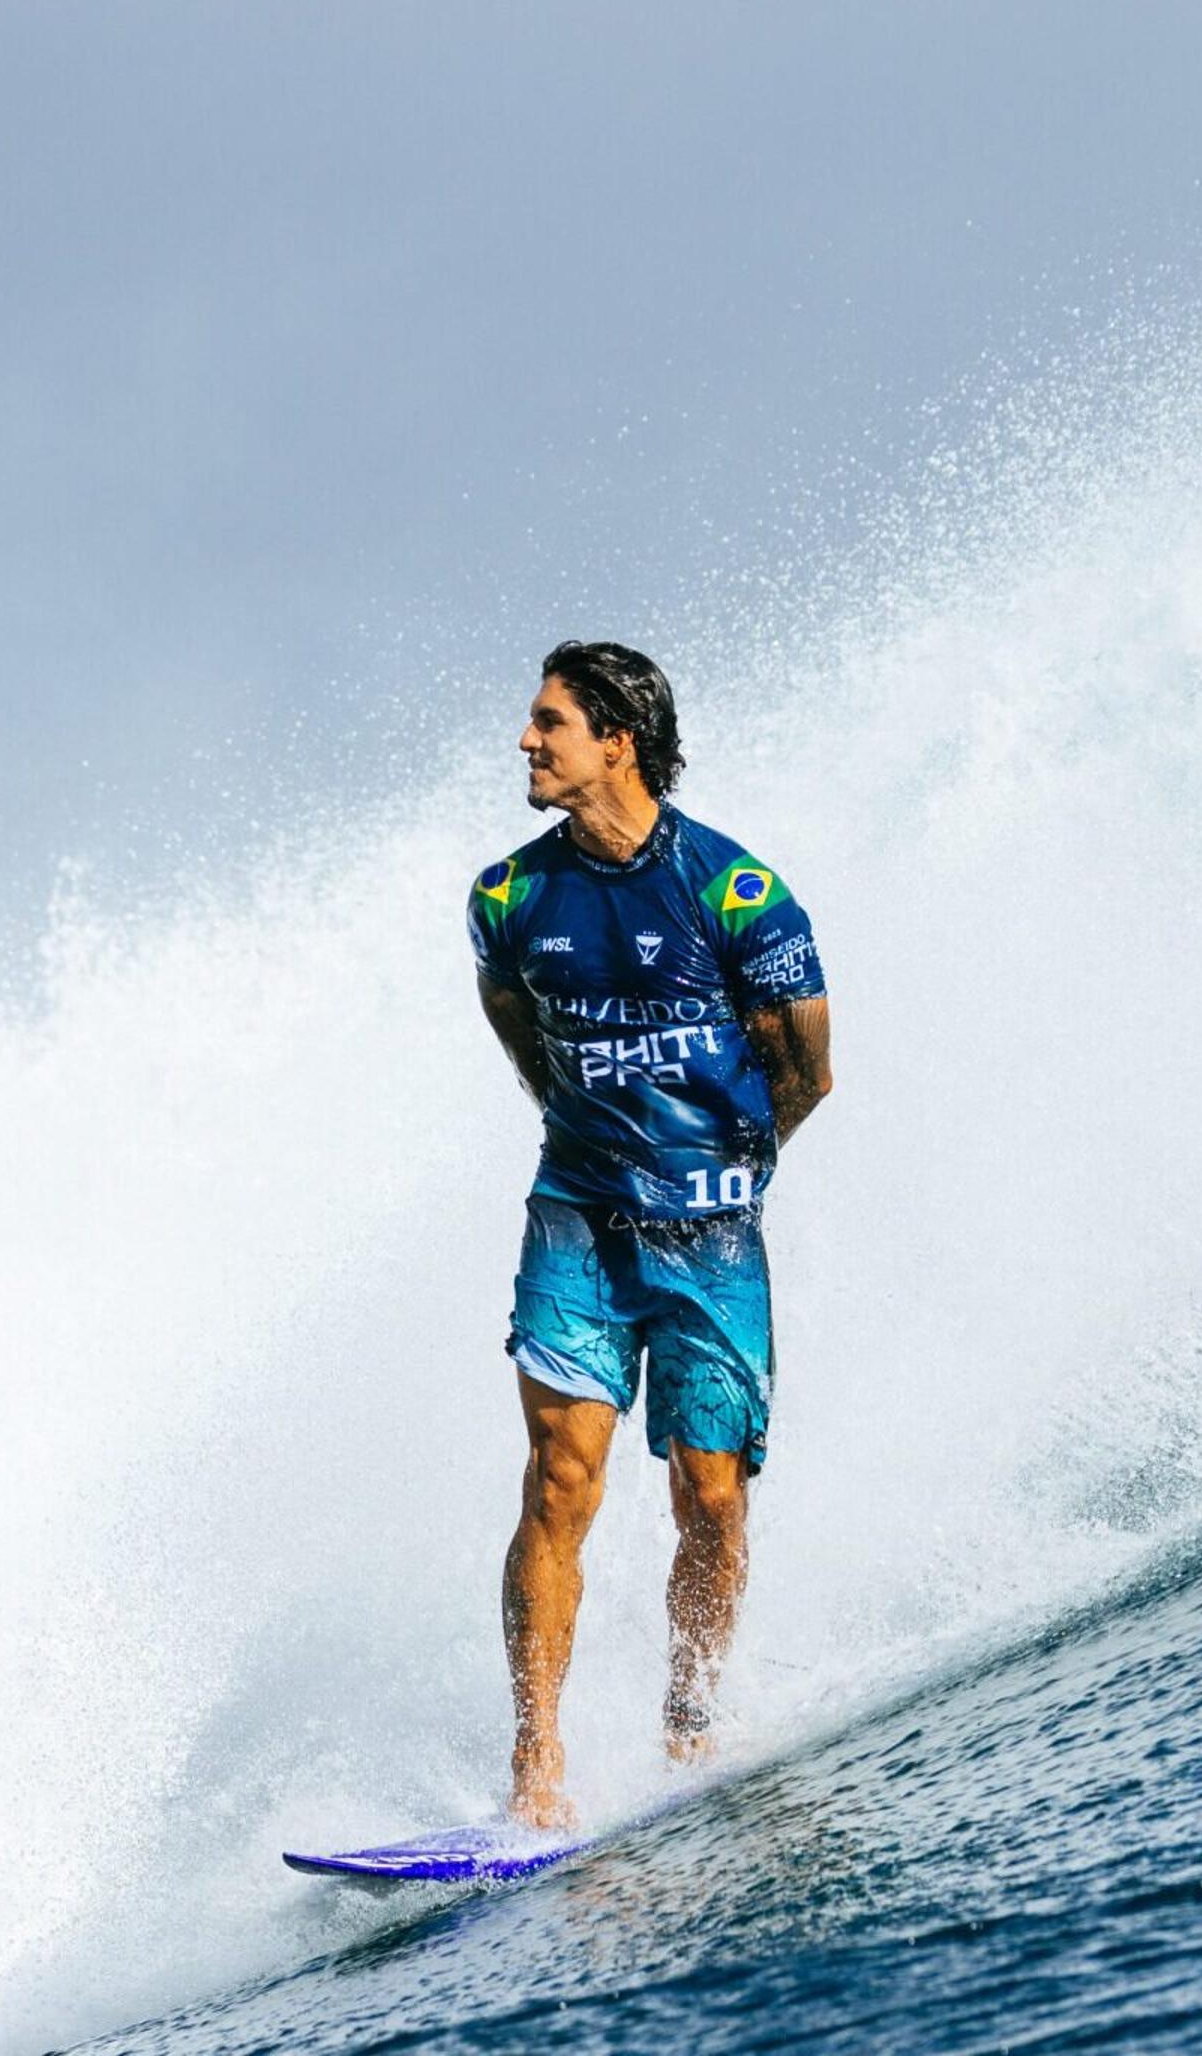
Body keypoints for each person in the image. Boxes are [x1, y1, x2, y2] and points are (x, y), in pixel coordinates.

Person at [467, 642, 834, 1832]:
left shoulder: (738, 894)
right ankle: (537, 1770)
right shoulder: (508, 899)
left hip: (711, 1236)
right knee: (560, 1482)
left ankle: (690, 1721)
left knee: (712, 1499)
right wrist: (593, 1138)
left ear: (617, 739)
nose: (528, 743)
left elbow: (807, 1072)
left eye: (550, 723)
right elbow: (523, 1039)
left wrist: (719, 1168)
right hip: (575, 1222)